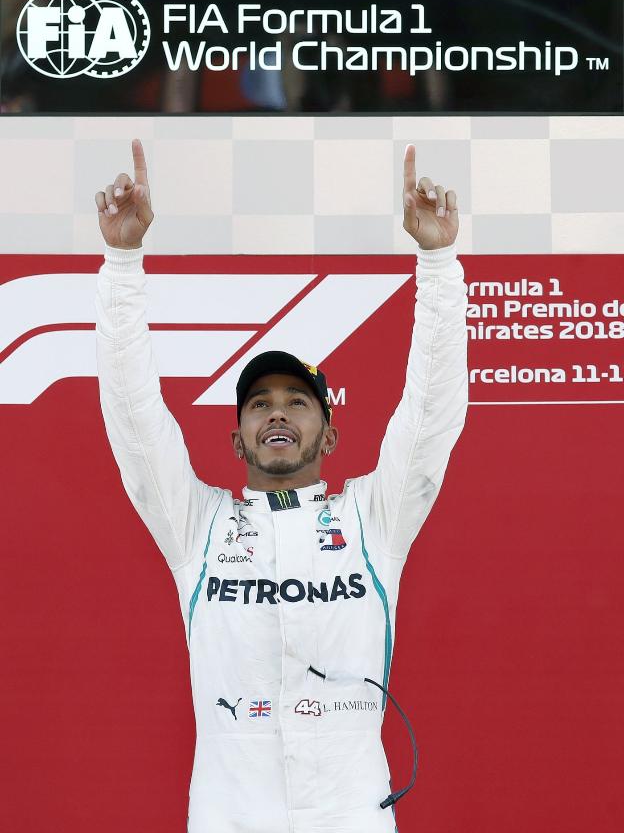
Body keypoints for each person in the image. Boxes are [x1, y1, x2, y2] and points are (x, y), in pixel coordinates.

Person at [94, 139, 468, 833]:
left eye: (298, 402)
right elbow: (134, 417)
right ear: (236, 438)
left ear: (329, 435)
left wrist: (438, 264)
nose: (277, 412)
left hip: (351, 812)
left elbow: (432, 411)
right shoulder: (197, 526)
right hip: (231, 815)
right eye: (259, 402)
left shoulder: (372, 517)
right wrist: (122, 264)